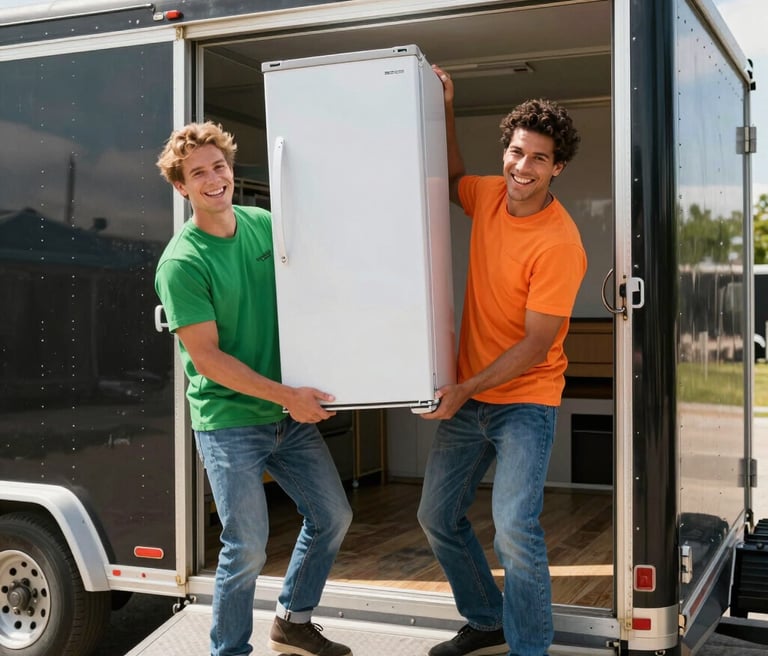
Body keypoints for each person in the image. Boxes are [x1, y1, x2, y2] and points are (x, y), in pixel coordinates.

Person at [154, 121, 353, 656]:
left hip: (285, 415)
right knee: (245, 547)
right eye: (198, 173)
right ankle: (229, 651)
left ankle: (291, 620)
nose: (214, 178)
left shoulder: (264, 225)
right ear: (181, 187)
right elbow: (208, 360)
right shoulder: (182, 262)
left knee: (333, 515)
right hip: (229, 422)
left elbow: (312, 293)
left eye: (219, 166)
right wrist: (288, 397)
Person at [417, 67, 587, 656]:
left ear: (556, 167)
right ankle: (486, 618)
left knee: (515, 530)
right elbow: (454, 178)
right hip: (472, 398)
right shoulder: (490, 193)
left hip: (525, 401)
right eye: (517, 151)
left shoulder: (559, 243)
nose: (523, 167)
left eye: (539, 158)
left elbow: (536, 345)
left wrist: (464, 389)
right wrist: (444, 105)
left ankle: (529, 648)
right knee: (437, 517)